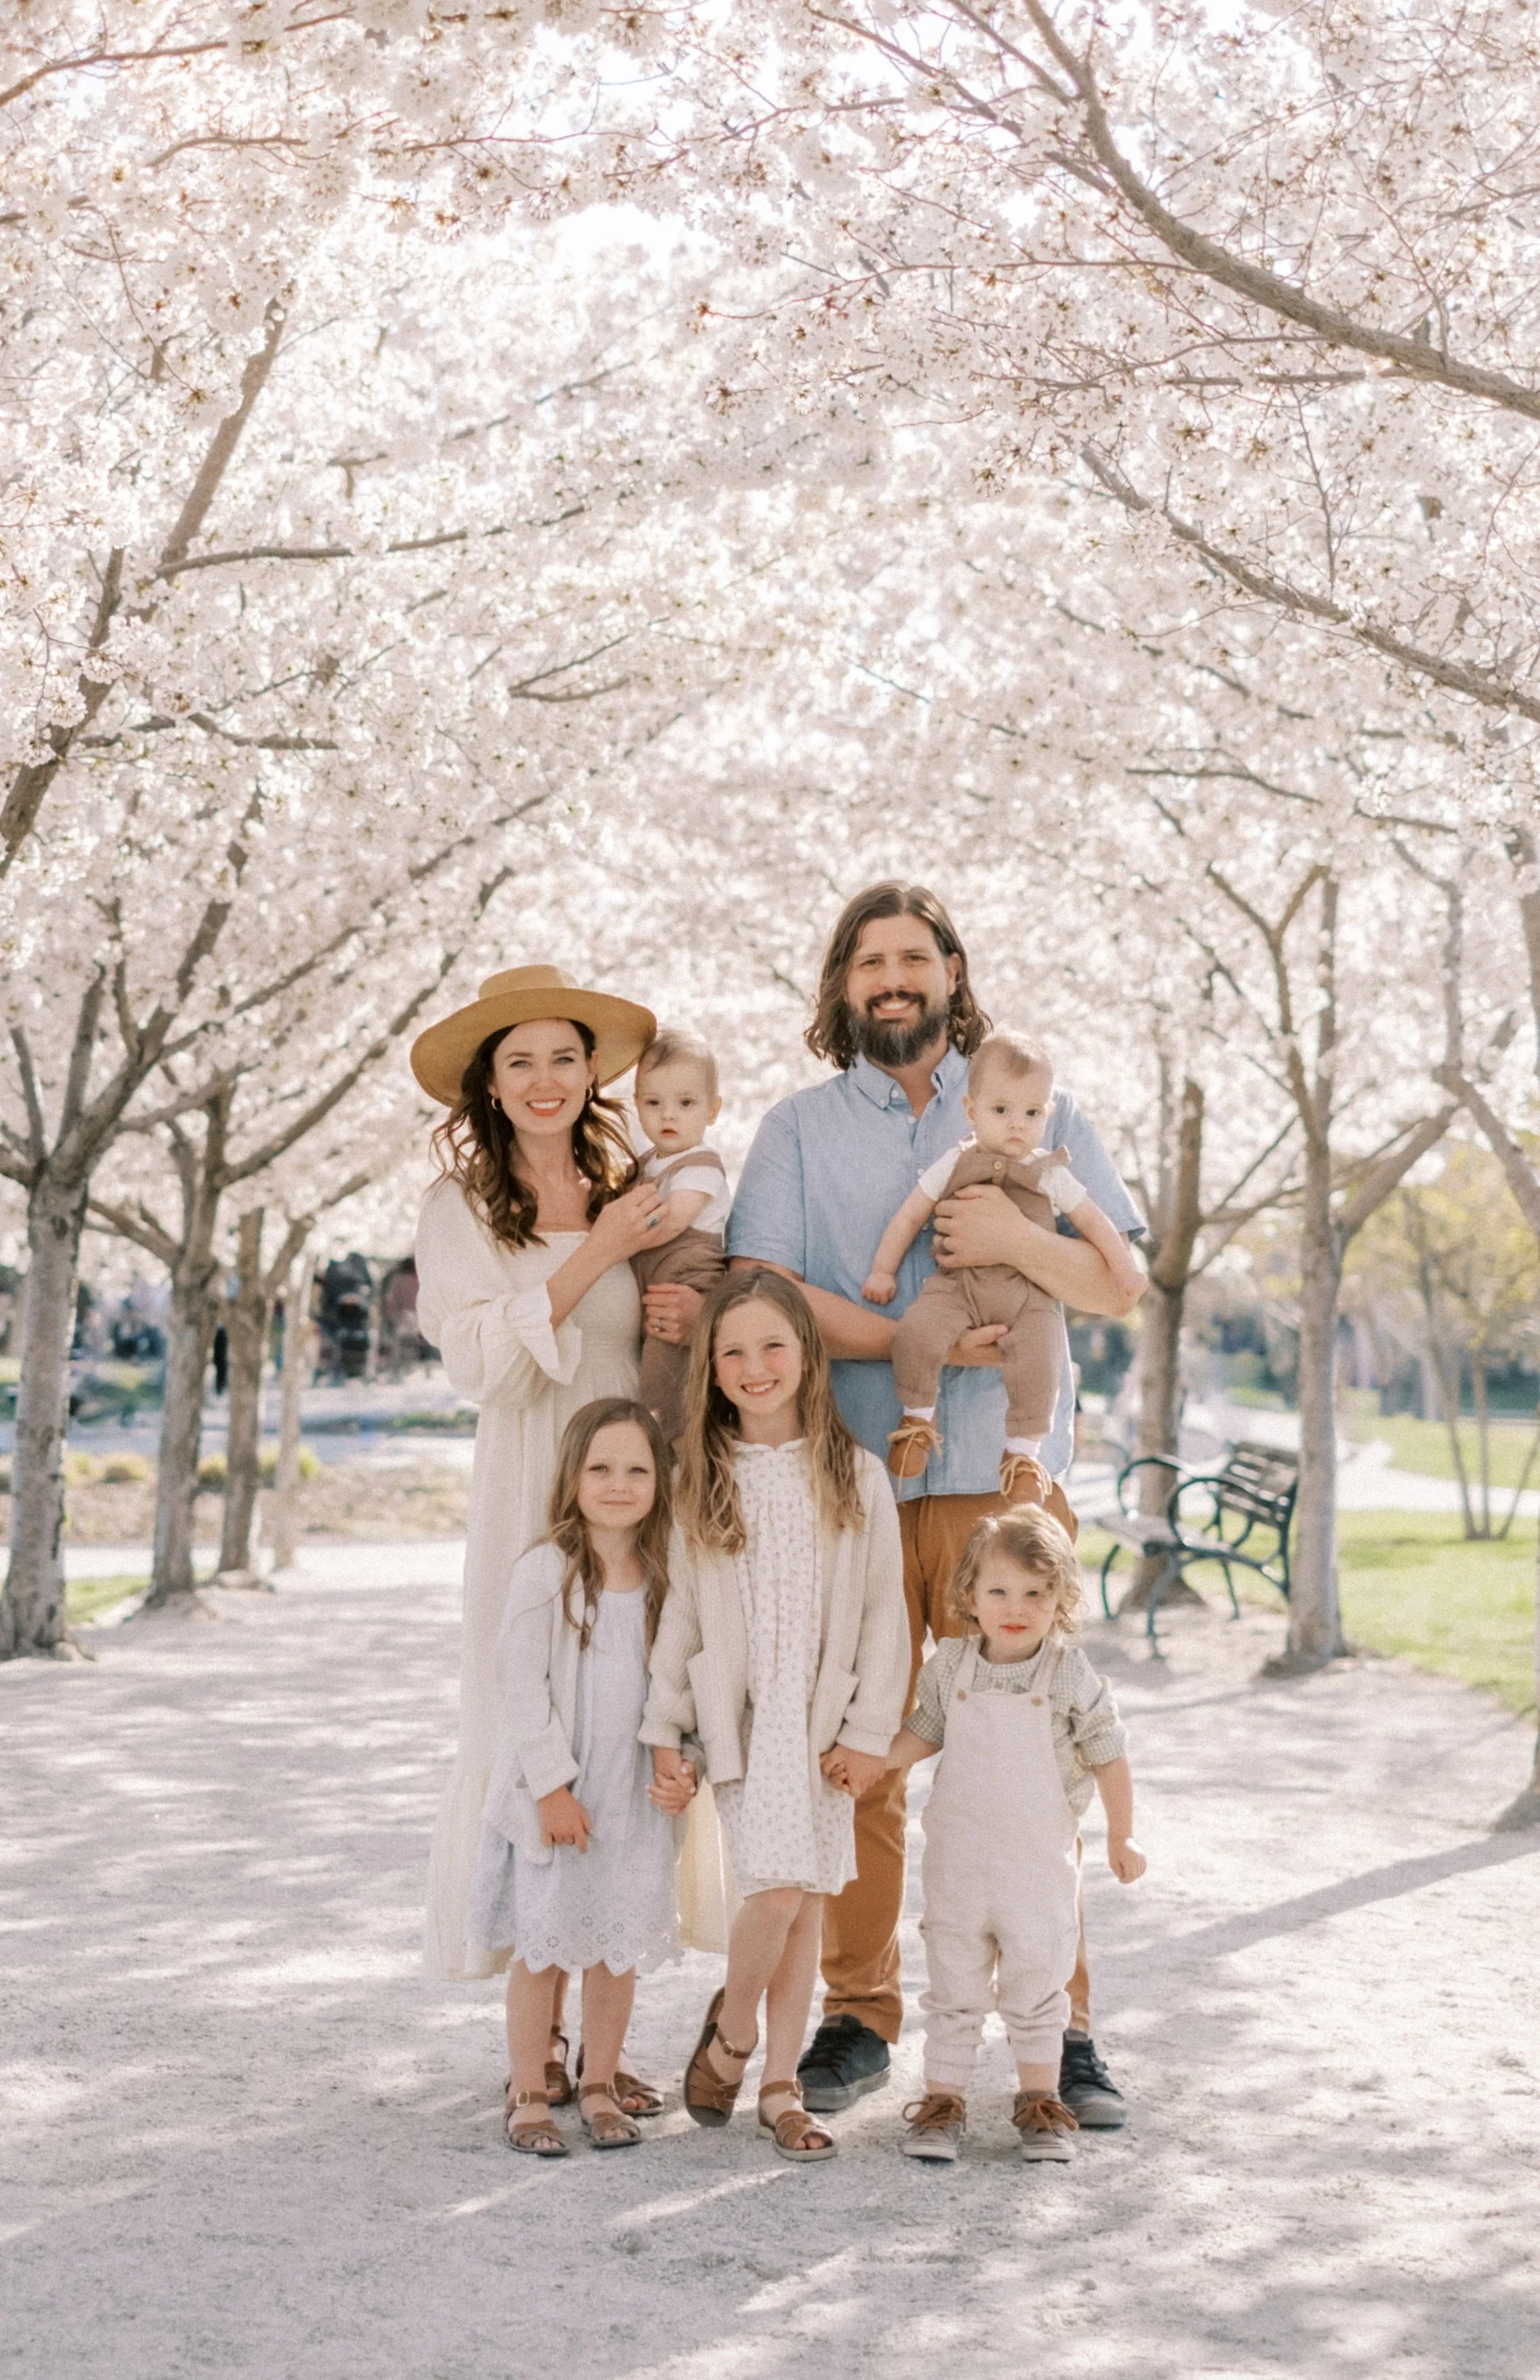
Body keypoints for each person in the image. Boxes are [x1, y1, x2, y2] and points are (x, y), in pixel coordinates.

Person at [708, 882, 1145, 2125]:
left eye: (914, 958)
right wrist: (918, 1337)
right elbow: (768, 1291)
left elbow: (1116, 1279)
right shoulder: (798, 1129)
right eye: (868, 962)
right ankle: (859, 2013)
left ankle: (1058, 2033)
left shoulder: (1034, 1102)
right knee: (857, 1756)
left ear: (953, 971)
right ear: (843, 986)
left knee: (1031, 1755)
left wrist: (1009, 1250)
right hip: (851, 1490)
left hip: (1006, 1493)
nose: (892, 979)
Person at [409, 962, 666, 2121]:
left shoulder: (631, 1182)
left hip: (631, 1485)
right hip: (527, 1482)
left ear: (590, 1072)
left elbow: (671, 1310)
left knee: (627, 1722)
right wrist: (599, 1252)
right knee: (533, 1726)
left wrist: (665, 1288)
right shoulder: (459, 1210)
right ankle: (537, 2041)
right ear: (490, 1085)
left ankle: (606, 2041)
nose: (547, 1079)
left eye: (566, 1057)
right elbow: (480, 1360)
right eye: (521, 1062)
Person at [640, 1270, 909, 2163]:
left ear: (806, 1355)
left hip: (825, 1724)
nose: (755, 1367)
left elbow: (882, 1615)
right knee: (778, 1888)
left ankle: (780, 2087)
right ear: (711, 1371)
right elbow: (681, 1612)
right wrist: (665, 1730)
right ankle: (734, 2034)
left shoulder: (855, 1476)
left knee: (804, 1909)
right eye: (733, 1353)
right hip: (745, 1721)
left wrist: (870, 1735)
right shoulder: (701, 1478)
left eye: (772, 1347)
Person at [862, 1505, 1144, 2166]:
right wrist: (874, 1760)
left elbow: (1108, 1754)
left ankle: (1039, 2102)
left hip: (1036, 1872)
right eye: (998, 1591)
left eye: (1035, 1594)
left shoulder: (1068, 1675)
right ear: (969, 1596)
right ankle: (942, 2102)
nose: (1015, 1607)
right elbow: (924, 1732)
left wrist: (1121, 1836)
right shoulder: (950, 1666)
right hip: (959, 1865)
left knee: (1037, 1986)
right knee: (953, 1984)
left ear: (1060, 1600)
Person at [467, 1397, 698, 2156]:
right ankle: (530, 2090)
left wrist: (681, 1766)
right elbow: (520, 1684)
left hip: (632, 1796)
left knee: (615, 1950)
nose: (619, 1483)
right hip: (561, 1795)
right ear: (572, 1478)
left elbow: (682, 1685)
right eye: (600, 1467)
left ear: (659, 1482)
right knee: (540, 1951)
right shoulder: (548, 1569)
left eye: (637, 1469)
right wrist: (550, 1788)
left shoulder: (668, 1575)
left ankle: (599, 2082)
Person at [867, 1029, 1131, 1501]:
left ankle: (1023, 1454)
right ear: (972, 1111)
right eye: (1001, 1110)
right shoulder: (955, 1160)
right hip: (958, 1286)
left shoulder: (1049, 1170)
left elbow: (1094, 1220)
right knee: (916, 1331)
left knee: (1042, 1361)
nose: (1016, 1124)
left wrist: (1124, 1268)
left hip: (1027, 1296)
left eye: (1031, 1113)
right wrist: (883, 1271)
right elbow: (911, 1213)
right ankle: (917, 1421)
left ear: (1047, 1114)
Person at [628, 1027, 730, 1441]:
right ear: (637, 1105)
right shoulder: (646, 1162)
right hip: (652, 1289)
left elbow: (670, 1221)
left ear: (712, 1109)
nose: (668, 1115)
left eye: (685, 1103)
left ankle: (670, 1453)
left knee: (663, 1385)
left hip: (686, 1288)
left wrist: (612, 1235)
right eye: (654, 1103)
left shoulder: (701, 1168)